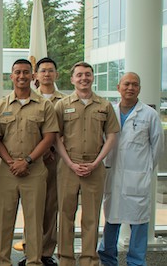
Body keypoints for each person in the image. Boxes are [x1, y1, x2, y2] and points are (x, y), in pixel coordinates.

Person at [0, 59, 58, 266]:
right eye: (17, 72)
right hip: (7, 170)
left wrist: (28, 161)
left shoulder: (44, 105)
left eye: (26, 73)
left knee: (34, 219)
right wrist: (12, 162)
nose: (21, 76)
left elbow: (49, 137)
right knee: (4, 220)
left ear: (33, 77)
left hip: (35, 171)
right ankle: (2, 261)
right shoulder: (0, 106)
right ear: (11, 76)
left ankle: (34, 261)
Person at [54, 61, 119, 266]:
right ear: (72, 79)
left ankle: (89, 259)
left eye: (88, 74)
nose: (84, 78)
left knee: (91, 216)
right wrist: (70, 163)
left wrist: (96, 162)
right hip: (68, 167)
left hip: (95, 167)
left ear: (92, 77)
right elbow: (55, 138)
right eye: (79, 75)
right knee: (65, 214)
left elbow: (111, 136)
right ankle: (65, 258)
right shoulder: (62, 105)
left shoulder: (104, 105)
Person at [98, 72, 164, 266]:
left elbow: (157, 147)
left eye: (135, 85)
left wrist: (143, 170)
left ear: (139, 89)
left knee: (139, 223)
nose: (130, 88)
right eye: (126, 84)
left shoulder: (149, 115)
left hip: (137, 177)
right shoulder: (109, 111)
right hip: (113, 174)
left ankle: (136, 261)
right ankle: (108, 259)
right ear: (118, 87)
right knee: (111, 219)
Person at [17, 57, 65, 266]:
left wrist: (51, 149)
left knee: (50, 207)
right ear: (35, 75)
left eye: (50, 70)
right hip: (32, 161)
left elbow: (65, 131)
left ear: (56, 74)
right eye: (42, 71)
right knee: (32, 207)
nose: (46, 74)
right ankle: (31, 250)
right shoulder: (29, 98)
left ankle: (46, 252)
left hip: (54, 160)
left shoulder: (63, 101)